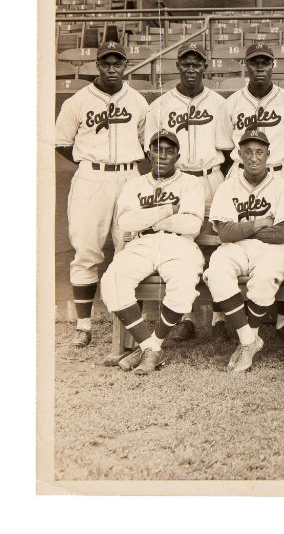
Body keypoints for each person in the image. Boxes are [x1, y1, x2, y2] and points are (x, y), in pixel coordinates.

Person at [55, 41, 149, 347]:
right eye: (106, 63)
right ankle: (84, 325)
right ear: (97, 65)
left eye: (117, 63)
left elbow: (147, 142)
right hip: (90, 177)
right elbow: (61, 142)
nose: (112, 69)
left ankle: (129, 325)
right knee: (86, 250)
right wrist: (89, 160)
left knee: (130, 249)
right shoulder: (77, 101)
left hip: (129, 176)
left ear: (125, 66)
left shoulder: (137, 101)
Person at [216, 42, 284, 342]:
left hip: (279, 170)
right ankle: (224, 316)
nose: (260, 67)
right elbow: (226, 146)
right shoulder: (230, 103)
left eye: (265, 62)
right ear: (246, 65)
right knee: (227, 243)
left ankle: (282, 318)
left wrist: (273, 166)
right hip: (241, 172)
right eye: (254, 62)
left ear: (273, 65)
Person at [99, 130, 206, 375]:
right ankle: (150, 348)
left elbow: (191, 225)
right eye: (158, 150)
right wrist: (168, 210)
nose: (163, 156)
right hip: (141, 244)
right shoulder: (134, 184)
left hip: (179, 244)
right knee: (113, 280)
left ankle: (152, 346)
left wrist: (146, 219)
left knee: (183, 283)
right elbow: (126, 223)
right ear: (149, 153)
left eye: (170, 151)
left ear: (178, 155)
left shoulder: (192, 183)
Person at [145, 41, 226, 341]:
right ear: (177, 66)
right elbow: (149, 151)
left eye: (197, 63)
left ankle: (219, 317)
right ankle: (186, 317)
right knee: (179, 244)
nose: (191, 68)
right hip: (176, 180)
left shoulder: (220, 103)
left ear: (205, 66)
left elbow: (230, 149)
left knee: (219, 243)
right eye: (186, 63)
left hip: (211, 175)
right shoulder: (160, 105)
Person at [203, 129, 284, 372]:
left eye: (259, 152)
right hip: (233, 247)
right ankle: (249, 340)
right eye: (247, 152)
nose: (254, 158)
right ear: (239, 155)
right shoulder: (228, 186)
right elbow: (224, 233)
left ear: (268, 154)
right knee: (216, 273)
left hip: (271, 249)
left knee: (266, 276)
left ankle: (248, 342)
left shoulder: (283, 186)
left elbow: (280, 233)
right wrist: (257, 224)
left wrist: (241, 228)